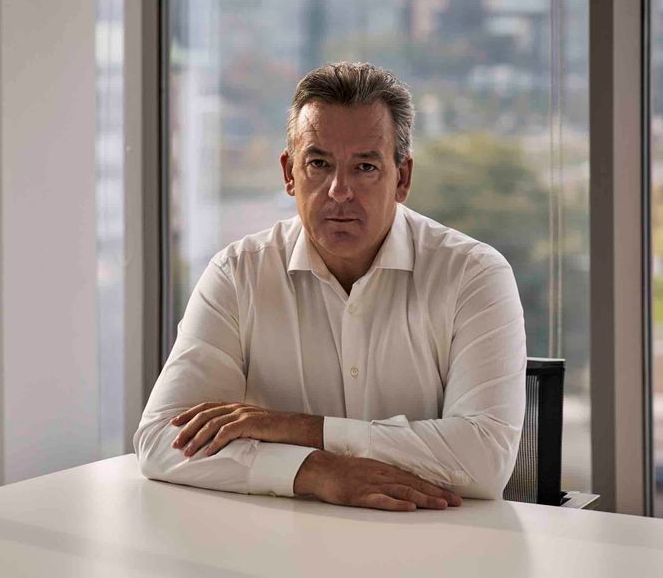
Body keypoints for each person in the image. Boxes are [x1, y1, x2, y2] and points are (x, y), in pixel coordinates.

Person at [134, 62, 526, 512]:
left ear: (402, 178)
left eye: (365, 167)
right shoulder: (237, 273)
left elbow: (485, 459)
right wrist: (314, 470)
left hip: (436, 537)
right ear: (289, 173)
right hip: (276, 542)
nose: (339, 191)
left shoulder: (474, 275)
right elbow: (161, 440)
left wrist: (297, 429)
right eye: (319, 164)